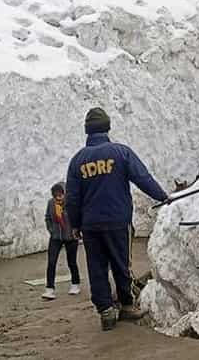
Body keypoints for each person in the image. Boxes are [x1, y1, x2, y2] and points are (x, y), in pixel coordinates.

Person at [66, 107, 169, 331]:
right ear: (107, 127)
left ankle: (105, 312)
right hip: (117, 221)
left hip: (90, 225)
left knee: (97, 267)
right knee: (121, 264)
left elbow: (72, 198)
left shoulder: (77, 161)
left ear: (87, 131)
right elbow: (143, 178)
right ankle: (126, 306)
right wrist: (164, 197)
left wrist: (74, 224)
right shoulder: (121, 153)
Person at [42, 182, 81, 300]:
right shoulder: (51, 203)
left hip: (70, 237)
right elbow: (48, 217)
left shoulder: (72, 203)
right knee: (51, 262)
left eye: (60, 195)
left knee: (71, 262)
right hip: (56, 237)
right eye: (56, 195)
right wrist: (51, 230)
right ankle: (49, 289)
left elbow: (78, 217)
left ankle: (75, 284)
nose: (58, 197)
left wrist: (76, 231)